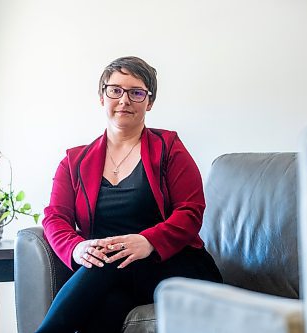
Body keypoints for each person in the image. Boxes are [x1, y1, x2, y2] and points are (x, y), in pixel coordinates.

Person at [36, 56, 222, 333]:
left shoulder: (169, 147)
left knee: (106, 261)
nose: (124, 100)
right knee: (104, 304)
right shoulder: (74, 161)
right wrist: (76, 247)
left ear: (149, 102)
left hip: (173, 265)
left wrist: (147, 241)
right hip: (113, 273)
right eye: (115, 90)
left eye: (136, 93)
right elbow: (55, 217)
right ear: (102, 97)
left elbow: (191, 210)